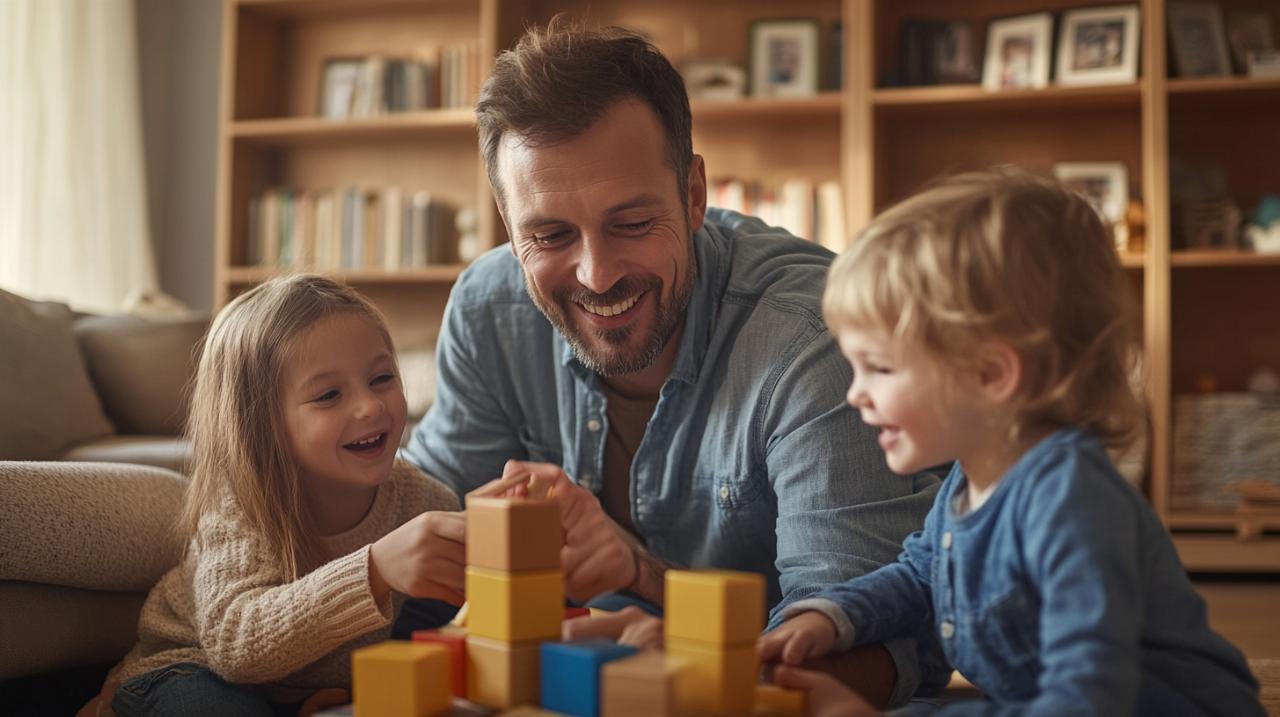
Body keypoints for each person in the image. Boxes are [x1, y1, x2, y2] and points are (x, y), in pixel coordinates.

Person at [400, 17, 943, 706]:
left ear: (693, 196)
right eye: (550, 234)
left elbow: (863, 648)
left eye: (630, 224)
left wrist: (648, 589)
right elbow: (422, 549)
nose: (596, 275)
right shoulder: (490, 308)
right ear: (509, 229)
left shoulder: (815, 338)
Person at [756, 169, 1264, 715]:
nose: (856, 395)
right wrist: (828, 618)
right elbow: (918, 574)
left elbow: (1085, 703)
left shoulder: (1071, 503)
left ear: (993, 375)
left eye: (879, 368)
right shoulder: (969, 479)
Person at [97, 276, 465, 716]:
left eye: (382, 378)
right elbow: (237, 647)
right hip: (188, 669)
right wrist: (374, 569)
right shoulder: (241, 505)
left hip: (302, 686)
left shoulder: (418, 497)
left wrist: (501, 526)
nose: (370, 406)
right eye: (329, 395)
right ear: (262, 427)